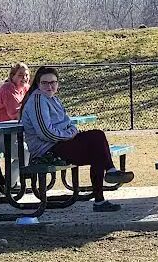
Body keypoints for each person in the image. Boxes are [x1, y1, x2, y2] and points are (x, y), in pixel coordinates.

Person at [20, 66, 134, 212]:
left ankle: (106, 183)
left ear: (58, 84)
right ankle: (104, 186)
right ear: (38, 84)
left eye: (53, 82)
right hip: (47, 150)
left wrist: (72, 131)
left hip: (61, 142)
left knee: (97, 138)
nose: (49, 86)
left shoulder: (53, 99)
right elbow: (45, 133)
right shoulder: (38, 99)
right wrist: (69, 134)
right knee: (96, 146)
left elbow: (69, 123)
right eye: (45, 83)